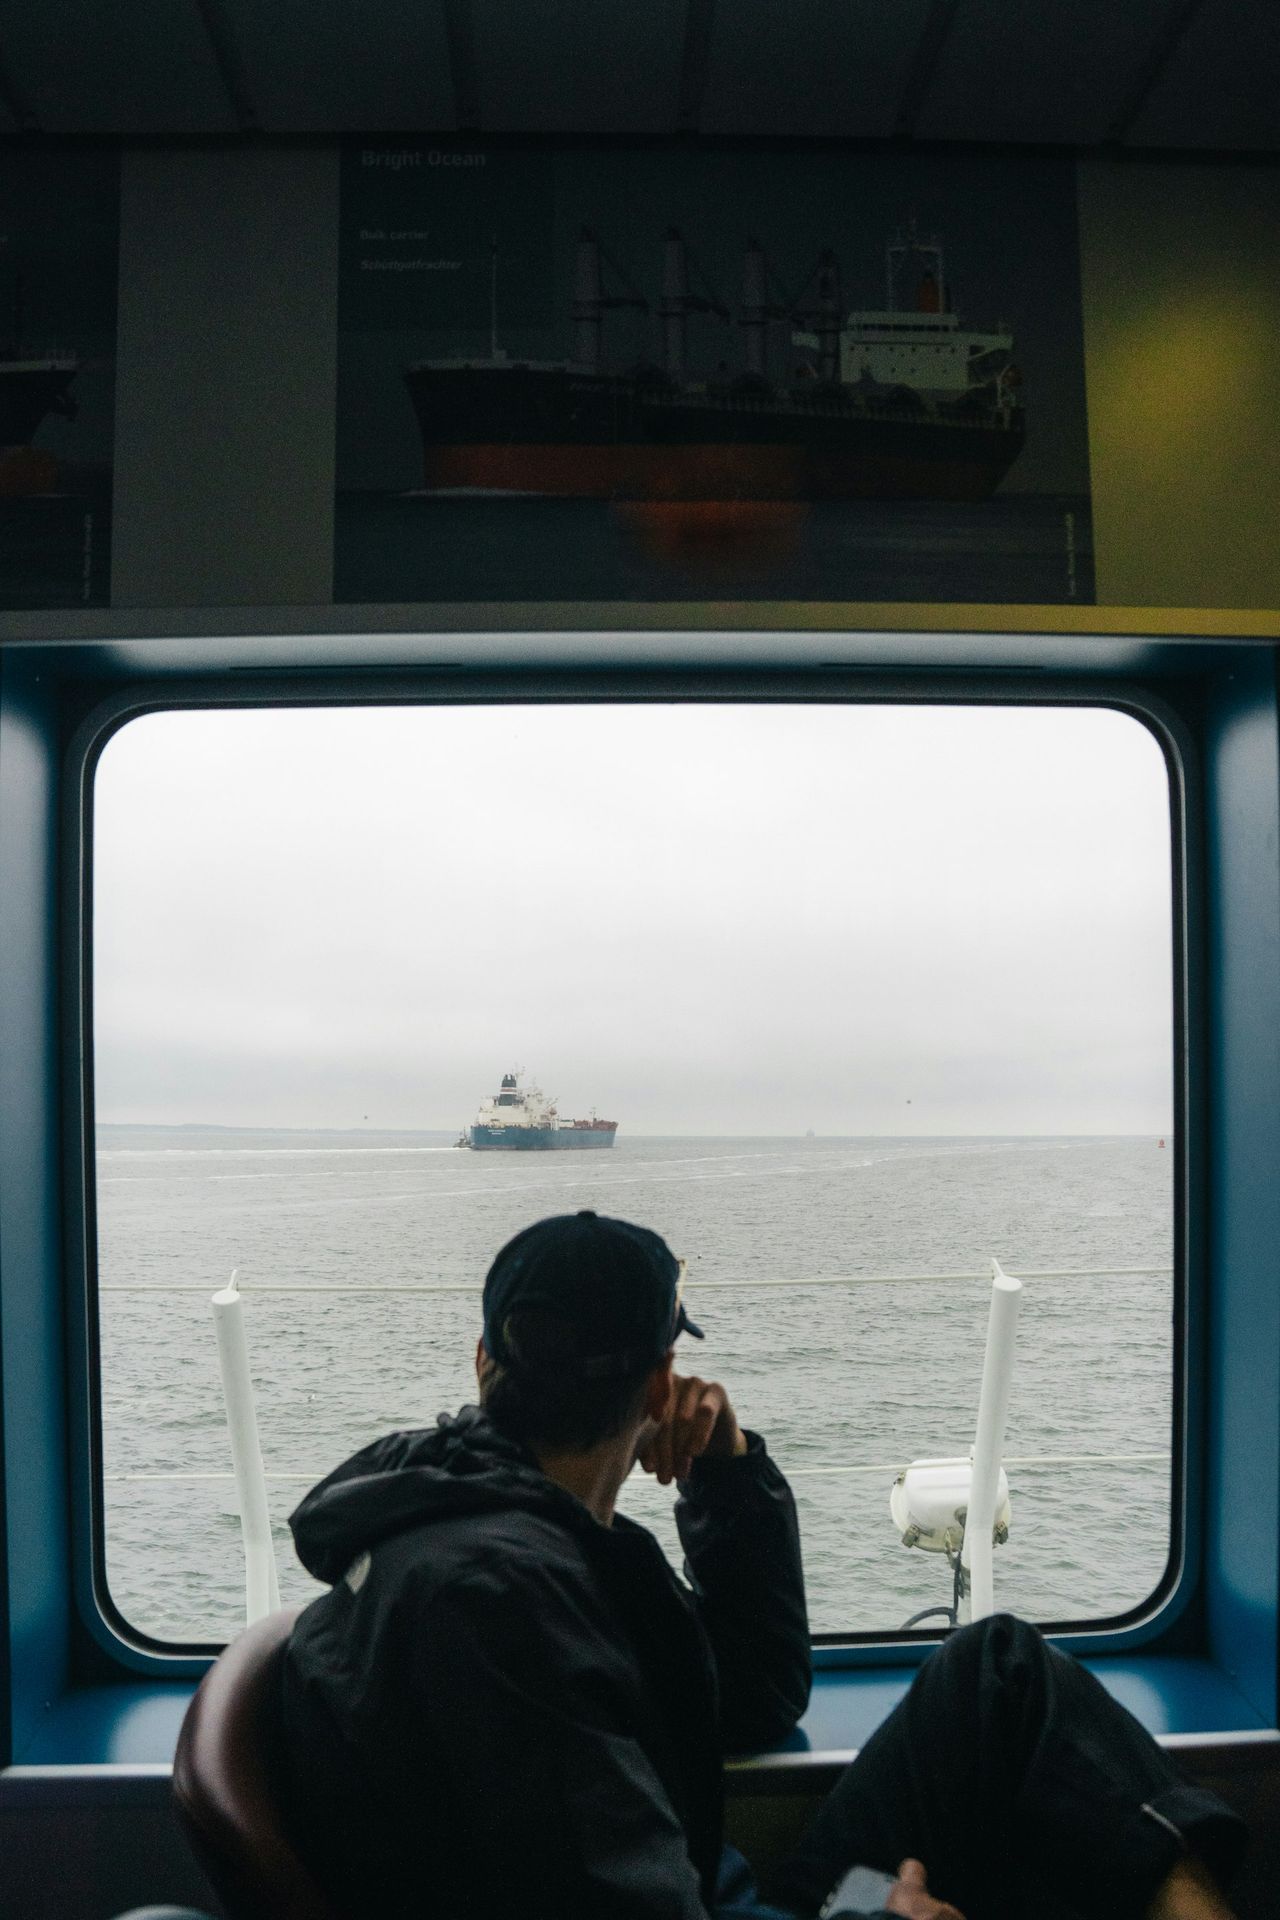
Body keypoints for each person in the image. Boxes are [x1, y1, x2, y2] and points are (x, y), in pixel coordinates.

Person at [279, 1211, 1246, 1920]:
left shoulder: (488, 1526)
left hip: (715, 1894)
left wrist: (729, 1473)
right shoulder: (501, 1602)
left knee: (1002, 1676)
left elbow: (753, 1698)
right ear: (660, 1383)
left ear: (481, 1361)